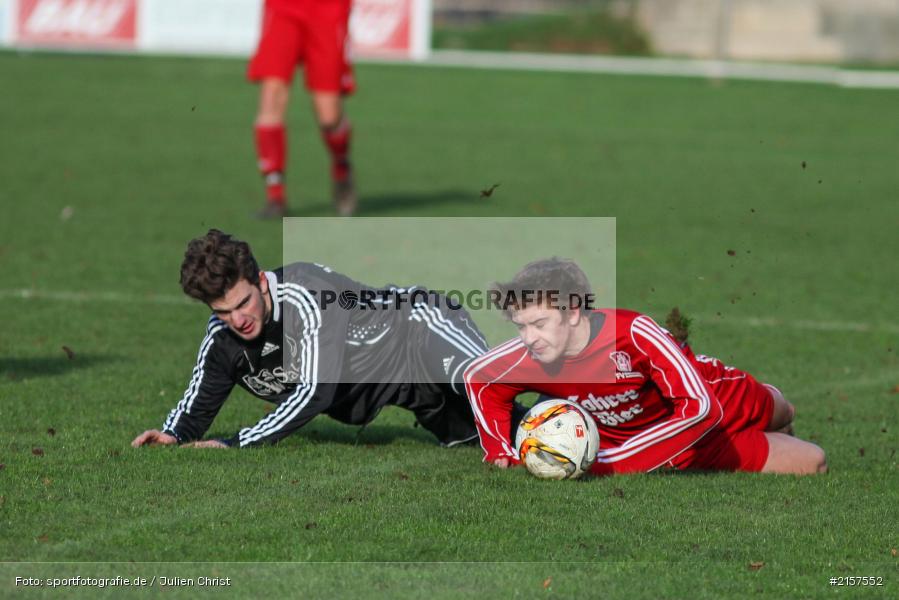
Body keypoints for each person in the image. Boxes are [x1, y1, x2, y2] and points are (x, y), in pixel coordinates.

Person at [463, 258, 827, 476]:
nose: (528, 338)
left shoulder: (633, 333)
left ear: (573, 312)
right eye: (521, 326)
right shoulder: (536, 352)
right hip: (687, 445)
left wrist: (610, 462)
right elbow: (480, 377)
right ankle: (770, 438)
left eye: (538, 324)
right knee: (815, 463)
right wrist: (500, 452)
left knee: (780, 412)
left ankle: (779, 415)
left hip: (717, 399)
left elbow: (700, 409)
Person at [132, 229, 486, 449]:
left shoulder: (307, 293)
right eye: (222, 311)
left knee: (489, 386)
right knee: (485, 439)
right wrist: (174, 434)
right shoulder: (223, 337)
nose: (236, 320)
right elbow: (201, 400)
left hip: (419, 328)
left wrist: (237, 442)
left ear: (261, 281)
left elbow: (317, 390)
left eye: (243, 303)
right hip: (407, 389)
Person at [249, 0, 356, 218]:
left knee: (329, 115)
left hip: (328, 8)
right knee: (271, 95)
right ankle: (275, 195)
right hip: (284, 7)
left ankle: (341, 167)